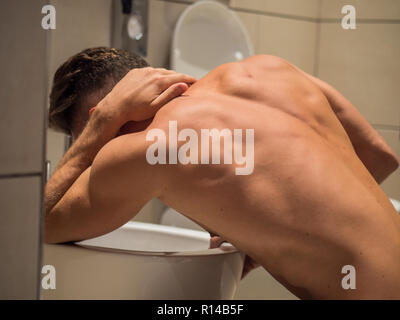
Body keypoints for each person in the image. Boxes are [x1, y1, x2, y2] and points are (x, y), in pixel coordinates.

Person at [45, 47, 400, 299]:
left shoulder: (147, 148)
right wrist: (272, 233)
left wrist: (97, 133)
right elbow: (380, 157)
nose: (95, 156)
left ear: (100, 113)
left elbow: (37, 228)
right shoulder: (269, 68)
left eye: (92, 143)